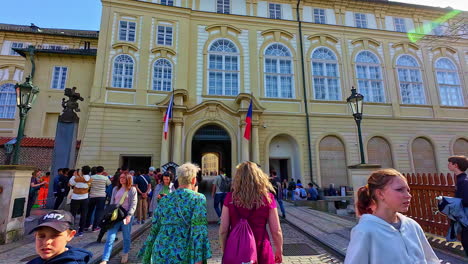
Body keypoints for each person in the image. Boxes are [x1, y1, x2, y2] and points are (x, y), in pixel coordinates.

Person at [344, 169, 439, 264]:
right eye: (399, 190)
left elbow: (431, 260)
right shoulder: (364, 231)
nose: (408, 195)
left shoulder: (412, 225)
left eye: (408, 190)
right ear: (380, 194)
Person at [138, 162, 212, 264]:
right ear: (194, 180)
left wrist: (147, 255)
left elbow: (154, 228)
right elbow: (198, 231)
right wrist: (198, 258)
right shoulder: (198, 198)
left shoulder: (164, 199)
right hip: (183, 251)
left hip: (161, 250)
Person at [219, 161, 283, 264]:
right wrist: (279, 250)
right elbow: (276, 230)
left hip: (236, 249)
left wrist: (225, 249)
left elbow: (223, 230)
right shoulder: (267, 198)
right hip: (261, 248)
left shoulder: (230, 198)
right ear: (259, 176)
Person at [27, 210, 93, 264]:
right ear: (35, 235)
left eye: (55, 236)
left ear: (70, 235)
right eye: (41, 236)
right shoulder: (37, 261)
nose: (46, 242)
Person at [100, 172, 137, 264]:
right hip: (115, 216)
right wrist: (109, 213)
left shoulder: (132, 189)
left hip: (126, 217)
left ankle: (125, 253)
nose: (121, 179)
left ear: (128, 179)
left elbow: (133, 203)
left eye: (124, 178)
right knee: (110, 238)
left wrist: (129, 215)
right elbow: (112, 202)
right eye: (120, 177)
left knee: (126, 237)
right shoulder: (115, 189)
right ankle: (105, 259)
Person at [447, 155, 468, 257]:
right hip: (463, 216)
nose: (448, 165)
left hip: (465, 217)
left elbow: (465, 200)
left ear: (455, 165)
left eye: (450, 163)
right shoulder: (460, 180)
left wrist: (450, 202)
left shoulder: (463, 181)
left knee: (466, 240)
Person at [69, 165, 92, 236]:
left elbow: (70, 183)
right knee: (84, 214)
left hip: (75, 198)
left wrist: (74, 176)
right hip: (85, 198)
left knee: (73, 214)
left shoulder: (77, 178)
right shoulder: (90, 179)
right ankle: (81, 230)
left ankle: (71, 229)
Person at [86, 166, 111, 232]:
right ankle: (95, 227)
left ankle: (87, 225)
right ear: (103, 171)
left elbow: (89, 185)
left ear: (96, 170)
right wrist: (107, 176)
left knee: (90, 211)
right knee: (99, 212)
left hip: (92, 195)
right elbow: (109, 184)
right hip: (101, 196)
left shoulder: (91, 177)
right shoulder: (105, 178)